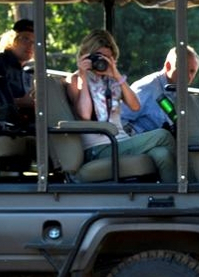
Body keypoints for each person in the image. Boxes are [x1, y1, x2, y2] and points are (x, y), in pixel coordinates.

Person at [63, 29, 175, 178]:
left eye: (108, 58)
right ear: (86, 55)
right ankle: (192, 187)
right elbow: (84, 114)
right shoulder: (76, 79)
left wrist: (115, 74)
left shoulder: (113, 80)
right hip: (99, 147)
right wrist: (83, 75)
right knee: (162, 135)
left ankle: (174, 197)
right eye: (99, 57)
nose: (102, 62)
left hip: (122, 142)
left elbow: (135, 106)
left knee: (162, 154)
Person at [122, 44, 199, 136]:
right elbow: (120, 119)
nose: (188, 76)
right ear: (168, 66)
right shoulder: (148, 87)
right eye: (183, 69)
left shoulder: (184, 95)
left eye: (192, 71)